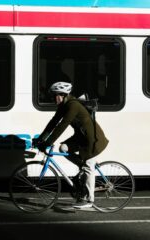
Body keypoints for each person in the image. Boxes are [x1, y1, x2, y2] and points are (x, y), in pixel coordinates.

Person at [32, 81, 109, 209]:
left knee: (89, 167)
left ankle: (89, 200)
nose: (52, 98)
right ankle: (82, 167)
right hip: (81, 137)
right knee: (63, 148)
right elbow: (53, 123)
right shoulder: (64, 105)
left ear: (61, 95)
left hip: (93, 139)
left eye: (54, 95)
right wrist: (40, 139)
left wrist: (48, 143)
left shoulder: (73, 105)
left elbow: (62, 126)